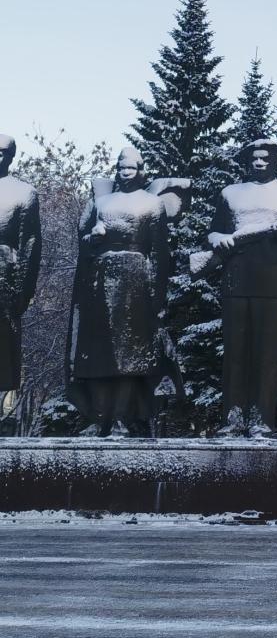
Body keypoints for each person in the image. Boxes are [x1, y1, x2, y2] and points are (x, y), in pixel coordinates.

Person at [203, 139, 277, 438]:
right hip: (235, 281)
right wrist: (219, 240)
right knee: (234, 355)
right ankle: (232, 419)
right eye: (254, 158)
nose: (258, 162)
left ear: (276, 162)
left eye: (265, 158)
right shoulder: (230, 194)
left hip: (271, 281)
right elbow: (213, 232)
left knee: (266, 356)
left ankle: (262, 420)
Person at [68, 149, 177, 436]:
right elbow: (83, 244)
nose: (125, 172)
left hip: (136, 282)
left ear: (141, 170)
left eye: (131, 168)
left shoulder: (152, 204)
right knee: (98, 352)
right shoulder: (101, 202)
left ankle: (122, 415)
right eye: (121, 167)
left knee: (130, 355)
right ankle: (99, 416)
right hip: (100, 283)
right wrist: (93, 237)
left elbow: (160, 252)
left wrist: (158, 294)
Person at [0, 133, 42, 407]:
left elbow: (30, 242)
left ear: (11, 157)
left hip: (5, 275)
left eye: (1, 152)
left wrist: (24, 290)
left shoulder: (24, 192)